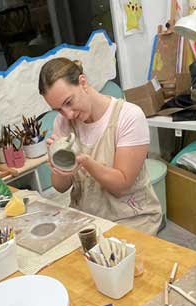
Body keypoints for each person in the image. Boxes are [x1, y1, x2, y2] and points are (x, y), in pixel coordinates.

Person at [39, 58, 163, 234]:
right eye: (58, 109)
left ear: (82, 82)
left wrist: (85, 162)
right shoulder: (63, 122)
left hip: (131, 220)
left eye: (68, 102)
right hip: (86, 220)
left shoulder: (128, 116)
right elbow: (60, 187)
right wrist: (58, 165)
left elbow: (121, 185)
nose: (68, 114)